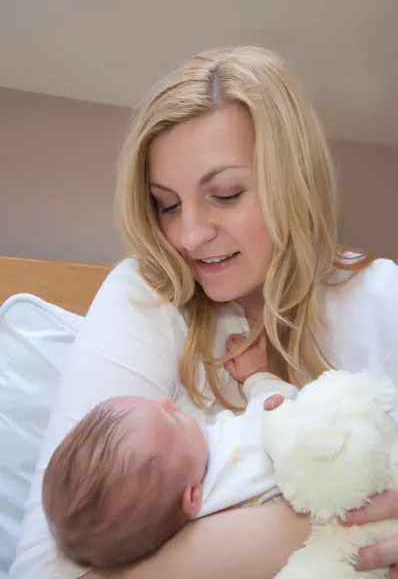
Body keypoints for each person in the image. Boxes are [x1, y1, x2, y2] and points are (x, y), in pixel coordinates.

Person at [10, 45, 398, 579]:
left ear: (295, 181)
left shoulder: (382, 299)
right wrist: (315, 528)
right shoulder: (147, 296)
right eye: (167, 204)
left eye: (226, 193)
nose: (188, 235)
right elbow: (43, 571)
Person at [42, 333, 297, 570]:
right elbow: (285, 405)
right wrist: (257, 376)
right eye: (171, 418)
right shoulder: (243, 456)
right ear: (192, 495)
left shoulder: (188, 528)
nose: (165, 401)